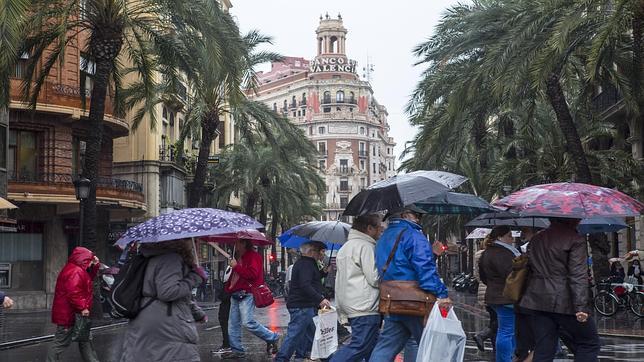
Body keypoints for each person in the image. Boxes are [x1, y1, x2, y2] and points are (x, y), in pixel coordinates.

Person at [369, 208, 451, 362]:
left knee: (385, 348)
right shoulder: (414, 236)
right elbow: (425, 269)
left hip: (392, 300)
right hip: (417, 302)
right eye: (417, 215)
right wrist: (442, 294)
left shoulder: (383, 237)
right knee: (431, 348)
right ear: (404, 214)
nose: (419, 219)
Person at [520, 218, 600, 362]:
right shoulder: (574, 239)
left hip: (537, 300)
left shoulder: (537, 238)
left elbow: (530, 269)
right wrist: (581, 307)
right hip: (564, 301)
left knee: (544, 348)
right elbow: (578, 275)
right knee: (589, 342)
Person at [119, 239, 207, 362]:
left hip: (143, 316)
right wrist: (195, 277)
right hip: (166, 322)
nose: (194, 244)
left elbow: (181, 297)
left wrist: (197, 313)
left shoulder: (148, 257)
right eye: (190, 240)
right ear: (180, 241)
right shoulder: (171, 258)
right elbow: (168, 292)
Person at [331, 214, 385, 362]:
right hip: (364, 306)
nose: (381, 230)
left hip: (352, 304)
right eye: (379, 227)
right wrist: (386, 269)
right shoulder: (366, 246)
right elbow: (374, 279)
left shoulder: (346, 247)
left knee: (373, 346)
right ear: (369, 228)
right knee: (359, 346)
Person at [222, 238, 280, 359]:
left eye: (237, 242)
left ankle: (272, 337)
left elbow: (252, 275)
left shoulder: (253, 256)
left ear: (243, 243)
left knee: (248, 322)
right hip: (235, 293)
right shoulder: (237, 257)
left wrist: (236, 266)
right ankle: (237, 349)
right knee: (233, 324)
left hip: (247, 293)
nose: (234, 244)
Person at [275, 241, 331, 361]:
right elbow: (305, 285)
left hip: (306, 306)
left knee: (310, 334)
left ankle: (302, 356)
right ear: (311, 252)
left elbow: (312, 280)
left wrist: (323, 273)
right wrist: (320, 299)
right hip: (302, 306)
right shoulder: (306, 264)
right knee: (295, 335)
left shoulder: (306, 263)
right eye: (318, 251)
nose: (320, 254)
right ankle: (281, 359)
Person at [46, 247, 101, 362]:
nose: (91, 261)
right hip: (71, 315)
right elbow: (74, 293)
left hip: (74, 314)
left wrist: (95, 265)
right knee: (60, 342)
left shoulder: (76, 269)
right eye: (90, 259)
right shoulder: (76, 271)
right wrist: (83, 308)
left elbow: (87, 279)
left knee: (85, 340)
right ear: (84, 259)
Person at [479, 225, 519, 362]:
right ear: (500, 237)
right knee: (507, 331)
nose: (512, 238)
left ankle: (508, 357)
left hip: (494, 296)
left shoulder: (487, 252)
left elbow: (483, 276)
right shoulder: (504, 253)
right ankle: (505, 359)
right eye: (509, 235)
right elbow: (511, 275)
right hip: (506, 297)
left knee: (506, 330)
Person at [473, 240, 498, 353]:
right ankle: (483, 336)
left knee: (493, 318)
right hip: (494, 290)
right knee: (498, 320)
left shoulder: (479, 254)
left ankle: (494, 346)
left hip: (483, 288)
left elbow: (476, 274)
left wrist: (482, 283)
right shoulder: (493, 254)